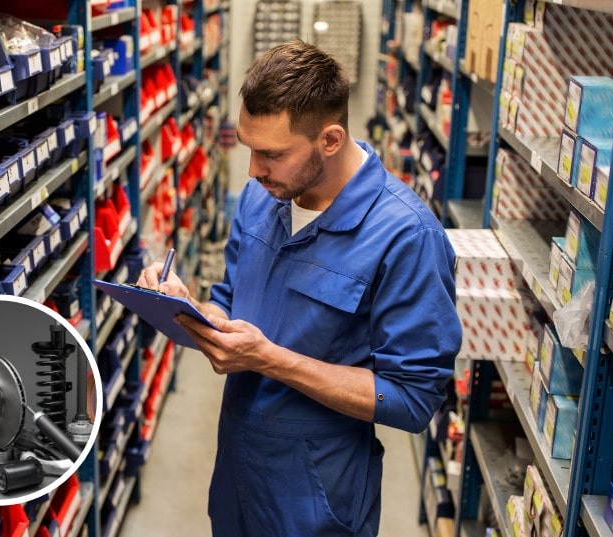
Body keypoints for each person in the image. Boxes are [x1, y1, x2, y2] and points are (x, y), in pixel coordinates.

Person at [137, 40, 462, 536]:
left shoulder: (406, 236)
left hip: (316, 499)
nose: (252, 170)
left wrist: (269, 360)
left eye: (271, 154)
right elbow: (230, 301)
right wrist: (189, 308)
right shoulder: (260, 197)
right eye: (249, 149)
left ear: (329, 140)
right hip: (238, 475)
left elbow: (414, 399)